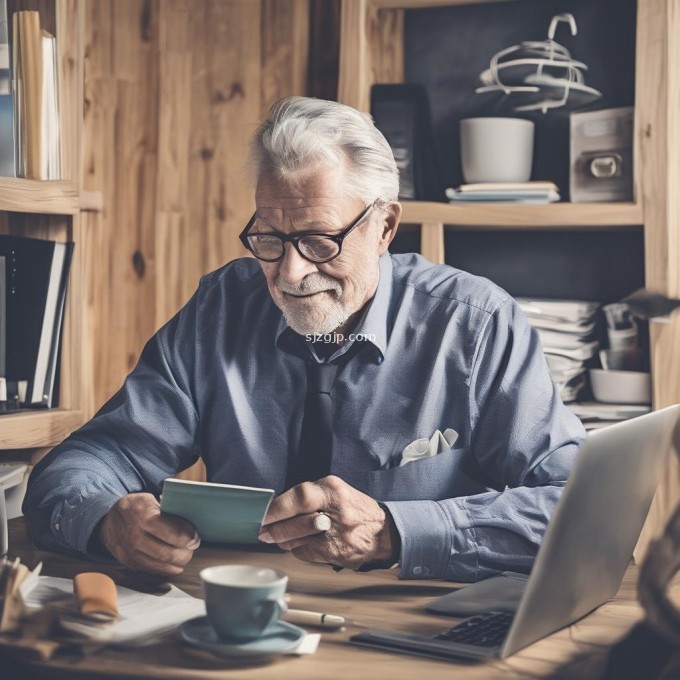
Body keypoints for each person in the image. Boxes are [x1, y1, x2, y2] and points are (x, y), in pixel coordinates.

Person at [23, 96, 585, 580]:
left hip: (415, 620)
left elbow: (577, 507)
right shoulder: (220, 309)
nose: (290, 273)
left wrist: (398, 531)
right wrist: (106, 521)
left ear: (384, 227)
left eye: (318, 241)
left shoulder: (477, 324)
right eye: (269, 237)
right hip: (242, 618)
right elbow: (89, 460)